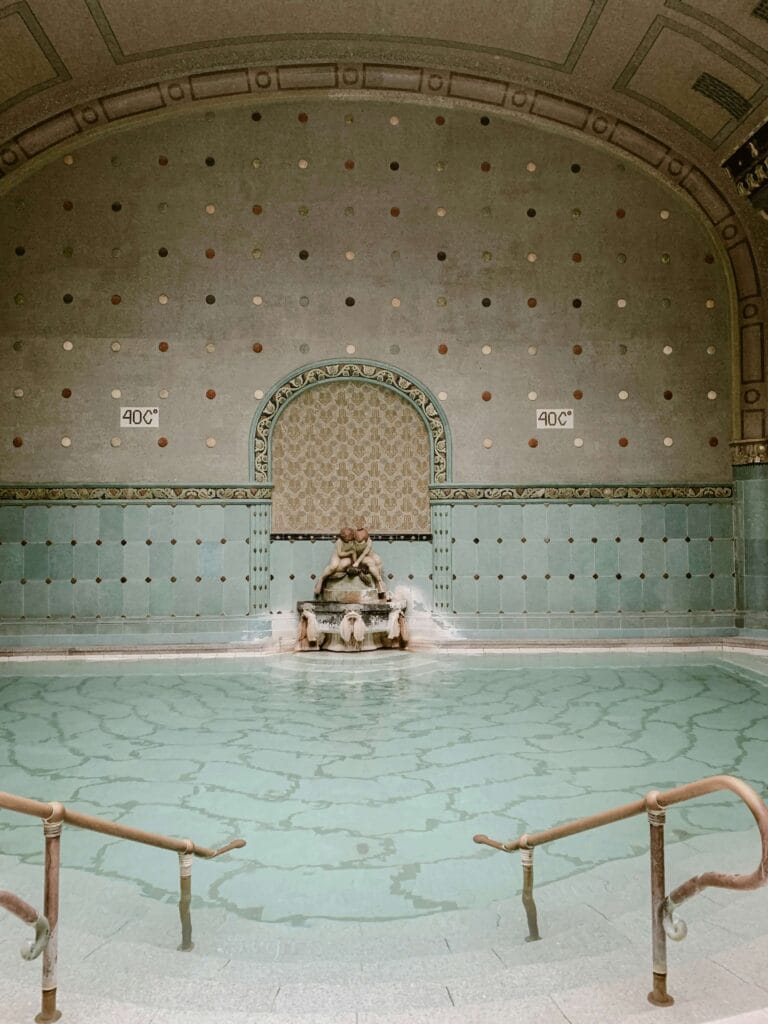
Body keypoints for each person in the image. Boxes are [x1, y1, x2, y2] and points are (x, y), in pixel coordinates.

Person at [314, 527, 356, 595]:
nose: (348, 538)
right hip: (338, 555)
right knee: (333, 566)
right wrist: (350, 552)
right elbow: (340, 554)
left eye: (349, 536)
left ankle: (328, 579)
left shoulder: (352, 541)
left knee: (344, 564)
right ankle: (321, 579)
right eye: (346, 537)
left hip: (347, 557)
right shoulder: (339, 541)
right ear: (343, 536)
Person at [352, 527, 387, 599]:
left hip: (368, 555)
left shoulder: (369, 541)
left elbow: (366, 552)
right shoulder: (353, 542)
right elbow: (357, 553)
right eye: (358, 540)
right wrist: (357, 562)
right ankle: (379, 580)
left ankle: (380, 586)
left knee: (378, 560)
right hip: (361, 558)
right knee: (370, 562)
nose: (360, 542)